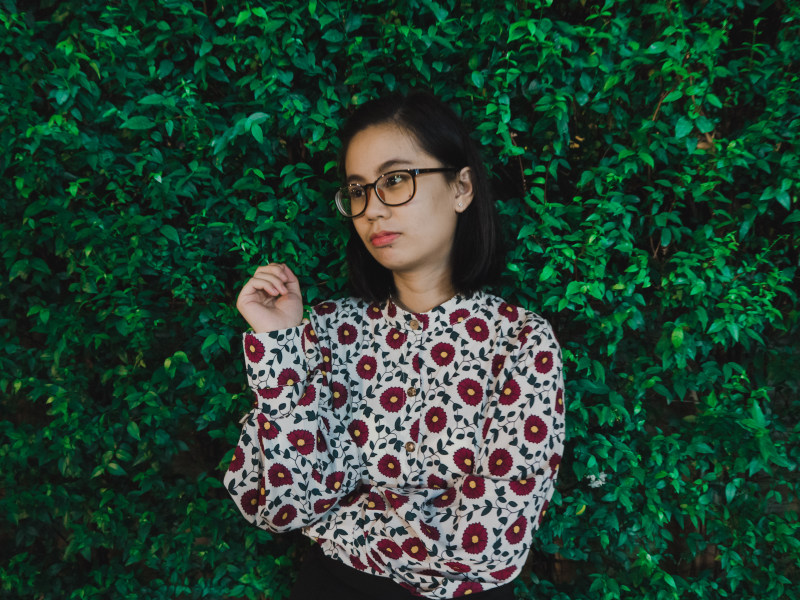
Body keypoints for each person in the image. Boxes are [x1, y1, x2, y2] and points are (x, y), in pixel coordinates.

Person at [224, 91, 565, 599]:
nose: (373, 209)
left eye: (396, 180)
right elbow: (277, 504)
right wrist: (278, 345)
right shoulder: (326, 331)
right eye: (357, 190)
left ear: (461, 187)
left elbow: (489, 544)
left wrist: (338, 519)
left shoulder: (519, 342)